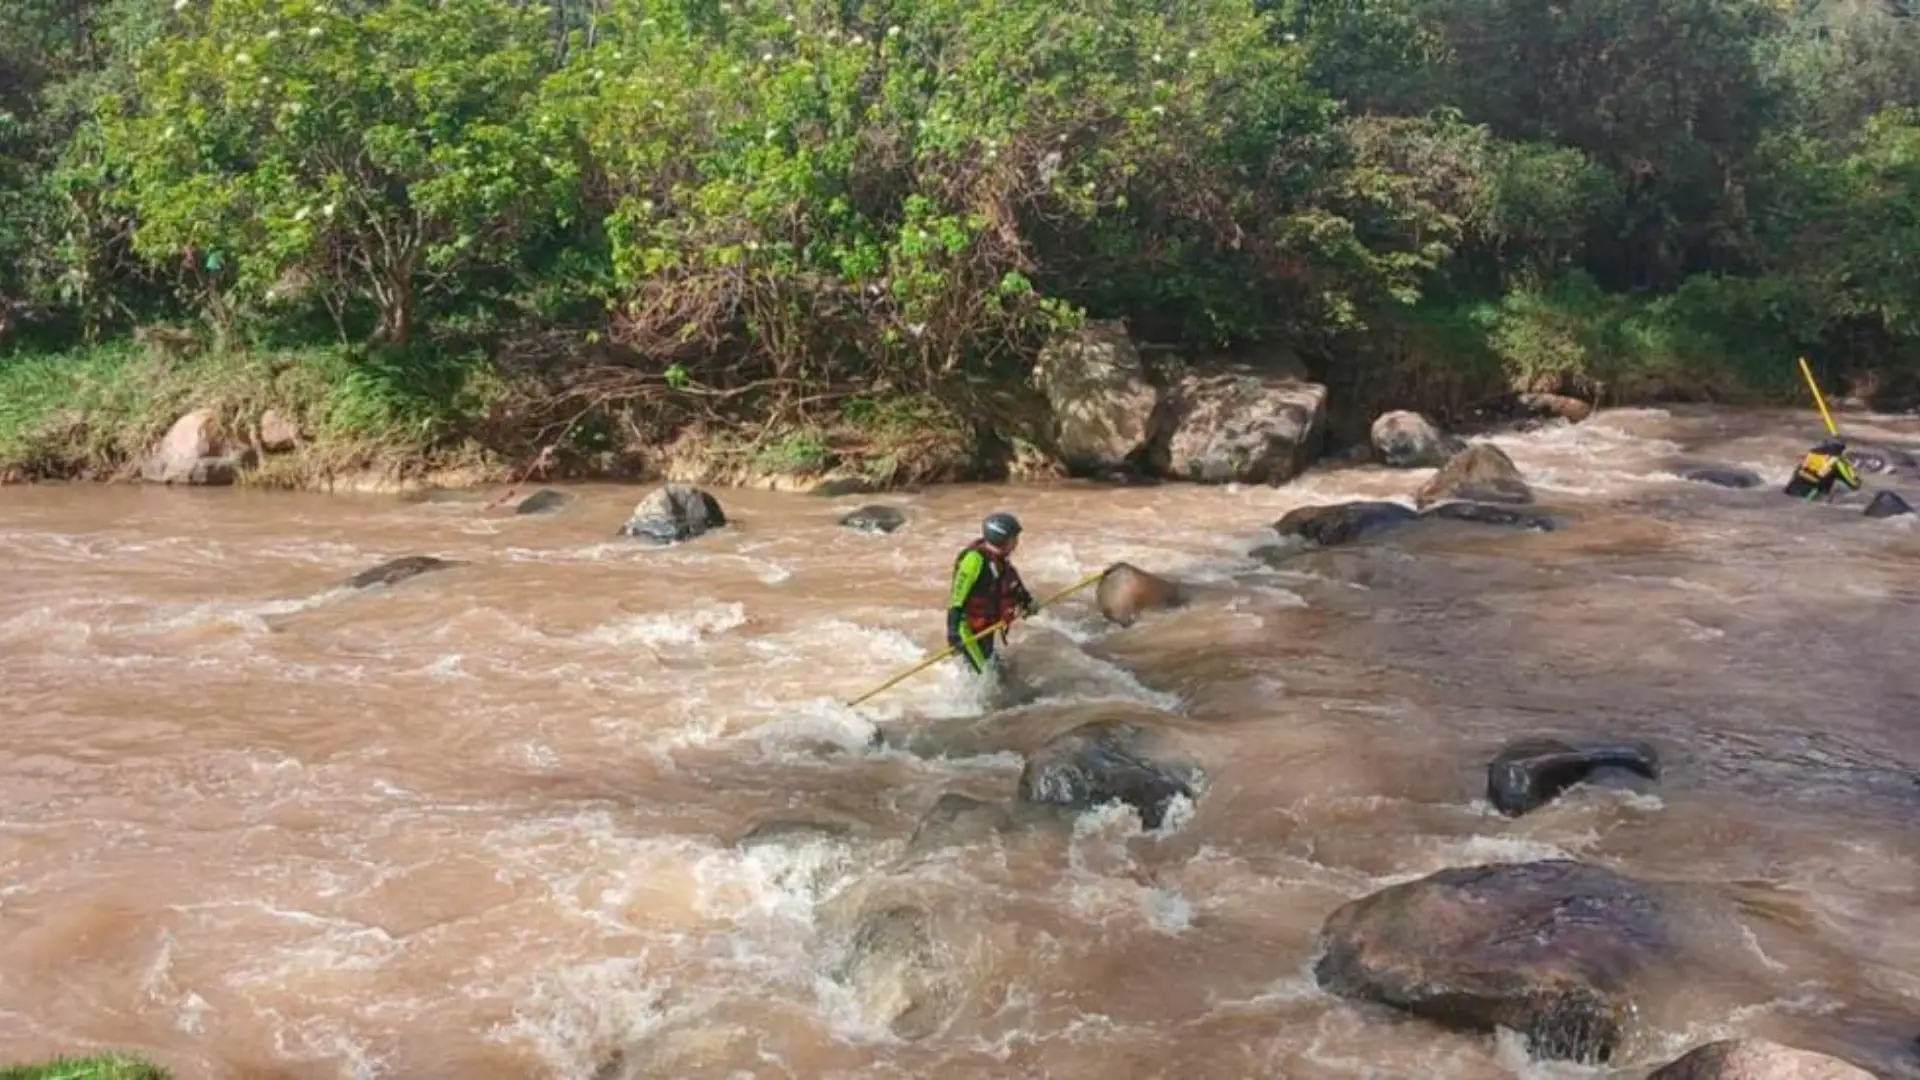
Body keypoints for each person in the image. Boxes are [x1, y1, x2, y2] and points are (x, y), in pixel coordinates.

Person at [946, 512, 1037, 675]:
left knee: (995, 669)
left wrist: (1027, 601)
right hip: (968, 631)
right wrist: (953, 634)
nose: (1017, 542)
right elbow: (957, 600)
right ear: (1002, 539)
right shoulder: (974, 560)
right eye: (1014, 538)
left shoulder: (1000, 559)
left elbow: (1012, 583)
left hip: (986, 626)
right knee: (986, 675)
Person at [1783, 436, 1862, 500]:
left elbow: (1798, 470)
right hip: (1811, 496)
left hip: (1790, 489)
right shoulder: (1836, 461)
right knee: (1844, 489)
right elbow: (1854, 484)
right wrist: (1853, 473)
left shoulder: (1811, 454)